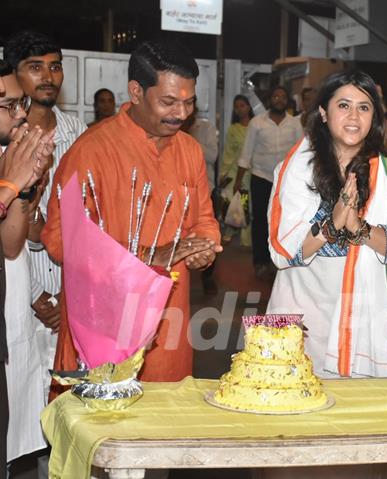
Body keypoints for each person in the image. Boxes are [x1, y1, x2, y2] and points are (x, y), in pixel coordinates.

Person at [42, 39, 222, 392]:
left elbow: (204, 220)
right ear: (136, 92)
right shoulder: (91, 150)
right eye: (169, 102)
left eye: (189, 102)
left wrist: (204, 249)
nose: (181, 114)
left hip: (169, 324)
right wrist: (144, 259)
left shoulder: (189, 151)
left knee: (163, 427)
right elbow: (59, 239)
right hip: (103, 324)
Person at [266, 70, 387, 380]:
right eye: (343, 105)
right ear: (323, 112)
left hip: (360, 321)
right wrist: (331, 225)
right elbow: (281, 252)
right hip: (302, 316)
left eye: (364, 107)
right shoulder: (293, 171)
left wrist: (359, 228)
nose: (354, 116)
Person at [4, 30, 88, 403]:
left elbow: (88, 221)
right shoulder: (6, 141)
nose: (48, 77)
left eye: (55, 67)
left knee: (67, 405)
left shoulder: (79, 134)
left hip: (70, 294)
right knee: (22, 411)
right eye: (35, 67)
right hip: (18, 294)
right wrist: (37, 295)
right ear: (15, 73)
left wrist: (66, 295)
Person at [0, 58, 54, 478]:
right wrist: (11, 186)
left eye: (20, 103)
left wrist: (26, 187)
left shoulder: (7, 155)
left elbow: (11, 244)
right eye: (7, 104)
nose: (21, 113)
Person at [236, 85, 303, 282]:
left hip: (285, 181)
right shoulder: (257, 123)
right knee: (260, 221)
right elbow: (246, 152)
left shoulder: (294, 124)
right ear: (270, 100)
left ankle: (279, 259)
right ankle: (260, 262)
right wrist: (238, 180)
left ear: (287, 101)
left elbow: (301, 152)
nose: (279, 99)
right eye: (275, 96)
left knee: (283, 221)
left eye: (283, 97)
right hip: (261, 177)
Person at [182, 108, 219, 295]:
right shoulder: (168, 128)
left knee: (207, 233)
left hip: (206, 188)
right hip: (178, 194)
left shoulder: (205, 128)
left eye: (187, 103)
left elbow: (212, 155)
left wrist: (189, 140)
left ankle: (208, 276)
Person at [219, 94, 253, 244]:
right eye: (236, 107)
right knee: (234, 200)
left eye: (242, 105)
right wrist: (223, 173)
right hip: (235, 170)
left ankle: (248, 240)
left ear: (249, 107)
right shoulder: (234, 129)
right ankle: (231, 230)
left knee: (249, 203)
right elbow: (228, 152)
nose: (239, 109)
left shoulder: (256, 125)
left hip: (253, 171)